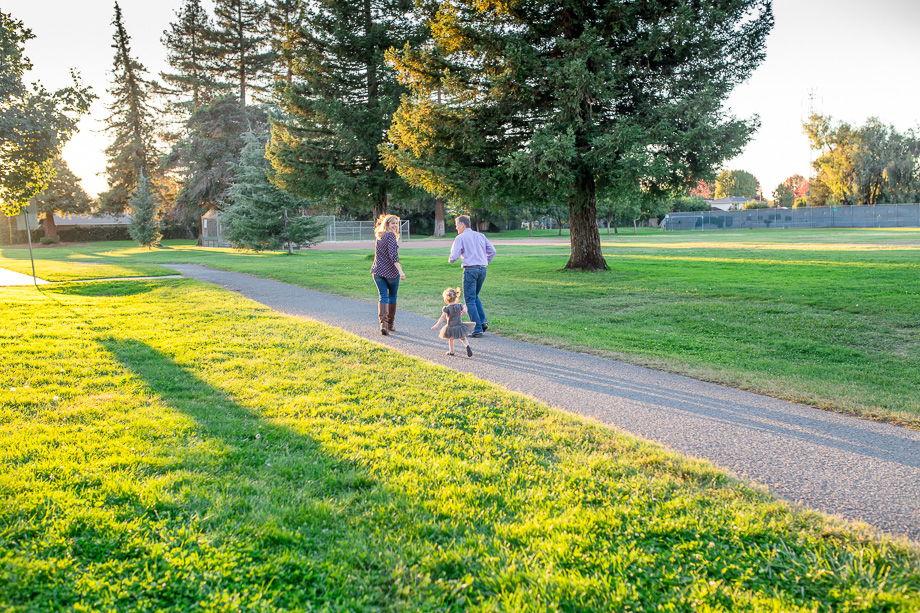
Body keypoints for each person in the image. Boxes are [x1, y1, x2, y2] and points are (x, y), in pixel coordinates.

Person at [448, 215, 495, 337]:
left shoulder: (460, 238)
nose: (456, 228)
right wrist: (485, 261)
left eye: (457, 225)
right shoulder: (481, 236)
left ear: (463, 225)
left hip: (470, 270)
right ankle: (483, 321)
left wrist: (451, 260)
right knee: (474, 296)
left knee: (469, 300)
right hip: (482, 269)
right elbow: (492, 251)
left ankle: (477, 328)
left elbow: (454, 256)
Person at [371, 214, 405, 335]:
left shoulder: (379, 235)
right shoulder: (391, 235)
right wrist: (400, 271)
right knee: (392, 297)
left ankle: (383, 325)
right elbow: (393, 256)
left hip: (377, 271)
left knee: (383, 296)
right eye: (392, 223)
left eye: (396, 223)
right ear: (387, 224)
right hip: (390, 272)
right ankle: (389, 325)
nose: (395, 226)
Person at [431, 287, 474, 357]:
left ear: (446, 300)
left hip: (451, 327)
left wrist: (437, 325)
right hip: (459, 325)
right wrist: (465, 308)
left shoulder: (447, 308)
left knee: (451, 339)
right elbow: (465, 312)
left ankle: (451, 351)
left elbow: (442, 317)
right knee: (463, 338)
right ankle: (467, 346)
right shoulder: (459, 305)